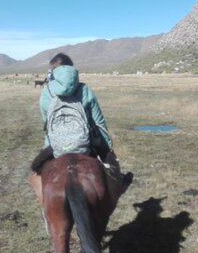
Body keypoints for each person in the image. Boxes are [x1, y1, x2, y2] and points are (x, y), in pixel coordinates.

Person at [29, 53, 132, 204]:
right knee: (112, 169)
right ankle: (119, 185)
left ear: (53, 71)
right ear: (72, 69)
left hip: (55, 145)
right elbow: (98, 122)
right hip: (86, 142)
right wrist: (108, 147)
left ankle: (42, 195)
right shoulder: (85, 89)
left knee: (37, 170)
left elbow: (46, 124)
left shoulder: (46, 91)